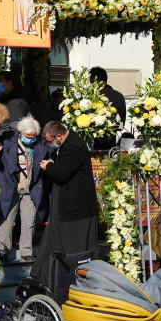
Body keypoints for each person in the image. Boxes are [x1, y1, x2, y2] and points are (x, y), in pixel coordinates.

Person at [30, 121, 98, 284]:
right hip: (68, 207)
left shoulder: (73, 148)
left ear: (59, 136)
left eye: (50, 141)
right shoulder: (69, 144)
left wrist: (49, 167)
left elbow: (61, 173)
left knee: (74, 248)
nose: (50, 144)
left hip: (76, 210)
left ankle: (68, 279)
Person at [0, 116, 51, 263]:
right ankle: (2, 250)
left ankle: (26, 251)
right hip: (11, 187)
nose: (31, 139)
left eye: (33, 136)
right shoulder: (8, 141)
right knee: (7, 219)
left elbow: (50, 154)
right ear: (20, 132)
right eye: (28, 136)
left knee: (29, 221)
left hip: (31, 188)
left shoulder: (41, 144)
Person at [88, 67, 126, 150]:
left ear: (93, 80)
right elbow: (121, 124)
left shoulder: (90, 97)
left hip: (92, 142)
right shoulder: (119, 96)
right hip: (112, 142)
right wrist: (114, 128)